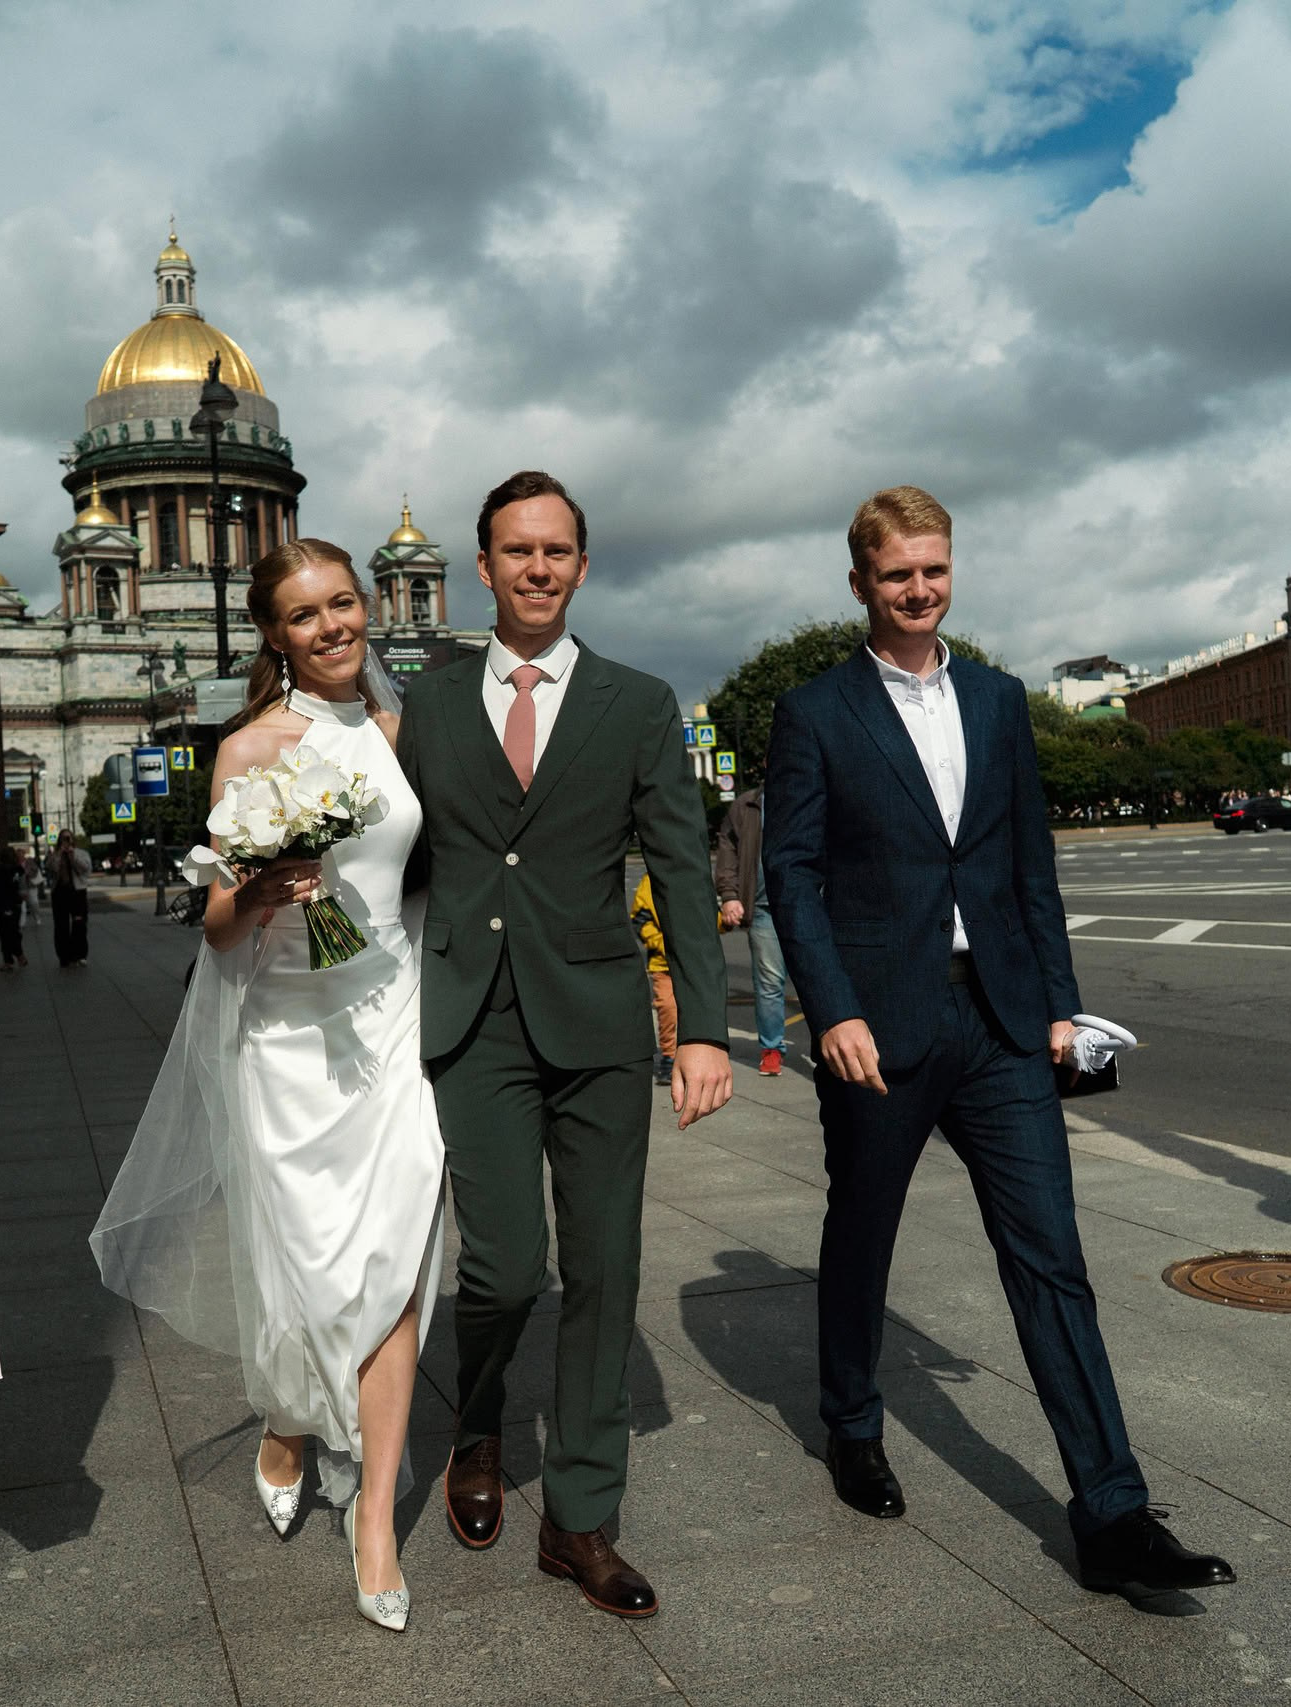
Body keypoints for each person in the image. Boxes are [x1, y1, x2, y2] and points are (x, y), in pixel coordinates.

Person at [761, 486, 1233, 1599]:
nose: (918, 591)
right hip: (880, 1030)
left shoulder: (999, 699)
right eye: (895, 576)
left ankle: (1112, 1515)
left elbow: (1030, 869)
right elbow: (792, 875)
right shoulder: (816, 711)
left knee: (1050, 1260)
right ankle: (852, 1420)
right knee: (862, 1235)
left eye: (933, 570)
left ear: (950, 568)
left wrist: (1061, 1006)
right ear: (859, 585)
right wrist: (830, 1011)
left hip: (1005, 1024)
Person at [396, 470, 731, 1620]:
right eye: (514, 550)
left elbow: (681, 869)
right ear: (481, 568)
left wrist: (702, 1027)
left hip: (595, 1024)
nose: (536, 568)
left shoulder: (637, 703)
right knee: (502, 1263)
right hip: (473, 1021)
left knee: (603, 1266)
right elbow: (388, 858)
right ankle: (478, 1429)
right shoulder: (427, 705)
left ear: (582, 568)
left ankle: (582, 1516)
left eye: (557, 551)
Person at [92, 539, 440, 1633]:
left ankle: (374, 1514)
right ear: (273, 635)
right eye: (305, 614)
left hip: (392, 1021)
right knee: (306, 1274)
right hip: (287, 1040)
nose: (334, 626)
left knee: (393, 1258)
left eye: (345, 603)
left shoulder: (395, 727)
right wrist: (269, 892)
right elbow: (217, 928)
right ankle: (289, 1422)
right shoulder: (245, 749)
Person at [715, 786, 788, 1076]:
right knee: (769, 983)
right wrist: (729, 894)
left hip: (811, 905)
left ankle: (829, 1045)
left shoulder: (815, 791)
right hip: (763, 907)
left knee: (820, 978)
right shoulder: (747, 805)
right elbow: (727, 847)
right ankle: (772, 1048)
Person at [629, 873, 679, 1084]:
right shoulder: (649, 881)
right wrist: (662, 944)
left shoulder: (695, 876)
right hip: (663, 962)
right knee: (668, 1008)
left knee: (698, 1010)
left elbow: (710, 916)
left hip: (695, 961)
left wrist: (724, 921)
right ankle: (669, 1055)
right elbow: (641, 919)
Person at [49, 830, 91, 967]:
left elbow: (85, 869)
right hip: (60, 893)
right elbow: (52, 869)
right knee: (61, 926)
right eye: (63, 838)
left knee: (79, 923)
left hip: (77, 892)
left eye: (68, 838)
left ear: (73, 839)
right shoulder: (55, 854)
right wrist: (59, 854)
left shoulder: (81, 853)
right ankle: (64, 956)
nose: (66, 841)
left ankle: (80, 954)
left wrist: (73, 856)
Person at [0, 844, 29, 969]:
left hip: (1, 904)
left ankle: (12, 958)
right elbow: (22, 885)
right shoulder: (18, 869)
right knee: (14, 931)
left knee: (4, 933)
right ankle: (16, 956)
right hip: (15, 903)